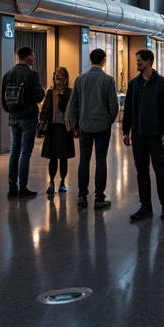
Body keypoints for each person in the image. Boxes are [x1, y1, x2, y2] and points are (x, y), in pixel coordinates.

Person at [122, 48, 164, 221]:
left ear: (149, 62)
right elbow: (128, 109)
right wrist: (125, 131)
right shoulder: (133, 84)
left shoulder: (163, 83)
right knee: (141, 172)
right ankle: (146, 206)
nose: (137, 63)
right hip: (138, 136)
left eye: (139, 61)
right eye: (137, 61)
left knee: (160, 171)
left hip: (157, 136)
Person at [68, 48, 120, 210]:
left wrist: (75, 125)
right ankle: (99, 197)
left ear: (90, 60)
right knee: (101, 160)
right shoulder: (108, 80)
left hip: (84, 125)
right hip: (102, 126)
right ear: (104, 60)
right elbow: (113, 105)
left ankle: (82, 196)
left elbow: (74, 105)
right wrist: (108, 120)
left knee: (84, 159)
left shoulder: (80, 80)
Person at [1, 45, 45, 198]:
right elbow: (39, 96)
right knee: (26, 151)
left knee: (14, 150)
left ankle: (12, 186)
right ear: (28, 57)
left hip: (13, 117)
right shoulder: (31, 75)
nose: (33, 58)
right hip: (28, 117)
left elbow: (3, 99)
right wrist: (42, 92)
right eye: (33, 55)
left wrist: (12, 111)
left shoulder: (8, 74)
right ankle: (23, 186)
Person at [39, 66, 75, 195]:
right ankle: (51, 182)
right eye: (56, 78)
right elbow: (45, 110)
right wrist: (42, 126)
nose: (58, 81)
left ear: (66, 79)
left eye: (61, 78)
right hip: (53, 127)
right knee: (52, 157)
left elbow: (71, 110)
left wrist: (75, 128)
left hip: (65, 128)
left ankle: (63, 181)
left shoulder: (69, 92)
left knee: (64, 157)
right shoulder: (50, 92)